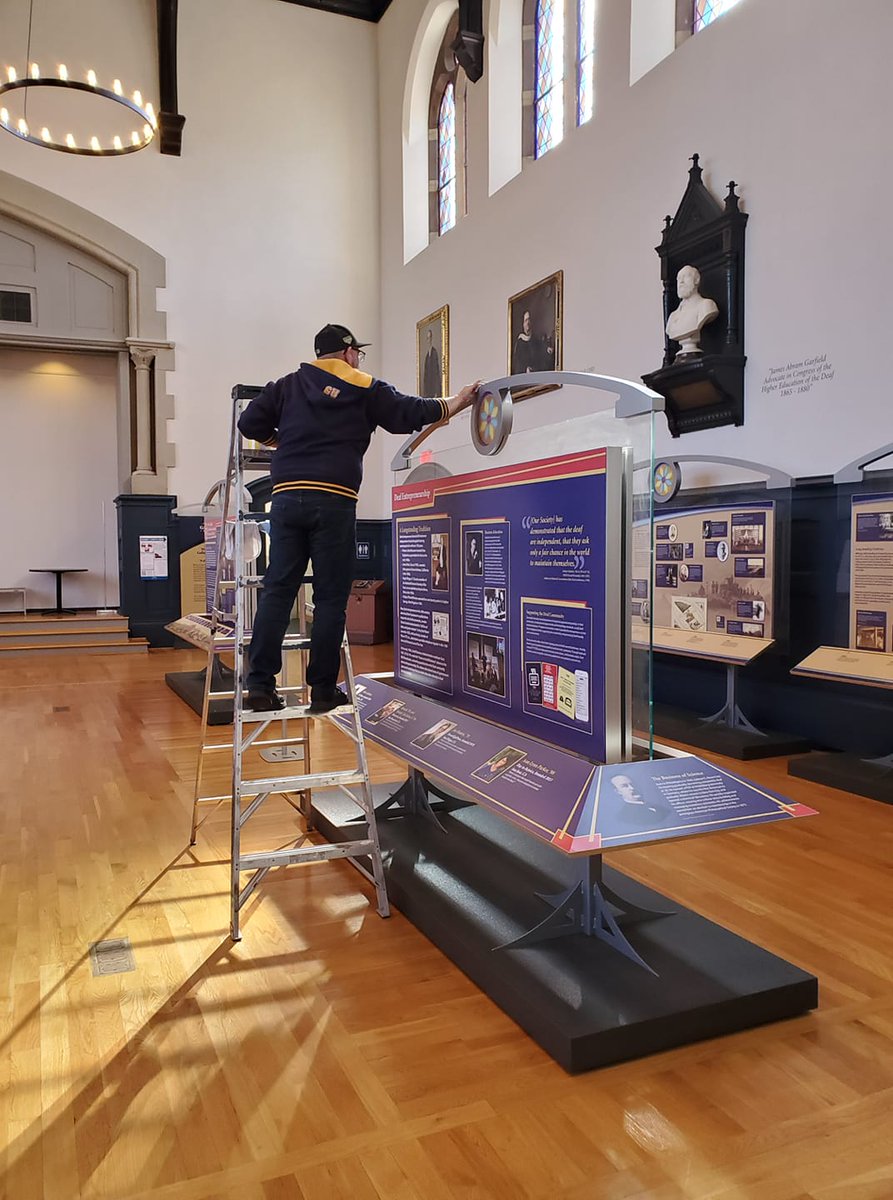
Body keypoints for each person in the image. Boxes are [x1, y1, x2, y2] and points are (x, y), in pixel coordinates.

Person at [238, 323, 480, 712]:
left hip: (285, 499)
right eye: (357, 354)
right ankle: (321, 690)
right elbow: (411, 413)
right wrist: (459, 400)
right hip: (334, 500)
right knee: (332, 598)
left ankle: (261, 686)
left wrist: (277, 442)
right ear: (349, 352)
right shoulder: (366, 387)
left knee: (277, 590)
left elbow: (249, 423)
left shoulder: (286, 385)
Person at [666, 265, 719, 358]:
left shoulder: (706, 306)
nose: (681, 282)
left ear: (696, 280)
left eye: (685, 277)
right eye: (678, 279)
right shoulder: (673, 316)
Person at [422, 327, 441, 397]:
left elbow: (436, 372)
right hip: (428, 389)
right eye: (428, 338)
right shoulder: (427, 355)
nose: (429, 340)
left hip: (434, 388)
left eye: (430, 337)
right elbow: (426, 374)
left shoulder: (434, 352)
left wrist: (436, 390)